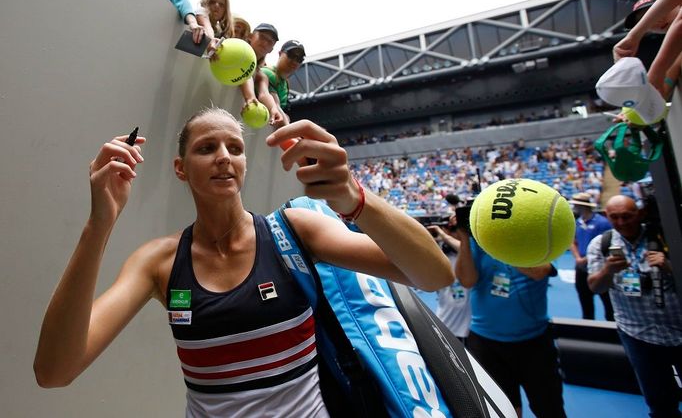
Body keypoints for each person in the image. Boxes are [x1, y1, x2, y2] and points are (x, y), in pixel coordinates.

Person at [33, 109, 453, 417]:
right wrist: (98, 224)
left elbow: (434, 274)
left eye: (234, 147)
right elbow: (54, 371)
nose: (223, 156)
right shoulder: (159, 262)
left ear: (245, 164)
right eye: (206, 148)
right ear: (181, 168)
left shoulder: (293, 232)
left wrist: (353, 198)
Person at [587, 195, 682, 418]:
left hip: (678, 331)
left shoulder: (667, 234)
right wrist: (607, 271)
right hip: (637, 335)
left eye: (627, 216)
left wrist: (670, 268)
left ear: (640, 214)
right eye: (614, 217)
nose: (621, 222)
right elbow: (595, 287)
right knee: (659, 403)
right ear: (606, 217)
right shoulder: (601, 244)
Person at [455, 229, 565, 418]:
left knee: (549, 407)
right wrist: (466, 238)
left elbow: (540, 272)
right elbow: (466, 280)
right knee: (503, 411)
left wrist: (499, 243)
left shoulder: (537, 237)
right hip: (485, 341)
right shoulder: (477, 240)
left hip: (534, 341)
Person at [427, 209, 471, 343]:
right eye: (451, 229)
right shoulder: (440, 254)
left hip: (470, 327)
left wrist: (444, 235)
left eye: (458, 228)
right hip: (447, 323)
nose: (455, 233)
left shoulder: (469, 252)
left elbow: (464, 247)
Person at [569, 192, 614, 321]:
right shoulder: (577, 222)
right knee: (585, 303)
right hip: (581, 268)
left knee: (608, 305)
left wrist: (586, 259)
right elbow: (573, 241)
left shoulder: (602, 223)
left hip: (600, 267)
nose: (574, 207)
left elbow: (607, 245)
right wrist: (578, 258)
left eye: (576, 204)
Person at [239, 23, 287, 127]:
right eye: (262, 37)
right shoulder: (236, 49)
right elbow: (247, 70)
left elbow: (264, 93)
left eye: (270, 42)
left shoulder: (261, 75)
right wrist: (250, 97)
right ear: (250, 36)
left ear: (271, 49)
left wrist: (273, 109)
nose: (265, 42)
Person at [261, 40, 306, 119]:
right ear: (280, 53)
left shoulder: (285, 83)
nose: (295, 61)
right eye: (291, 55)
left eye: (299, 59)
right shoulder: (268, 73)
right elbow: (276, 107)